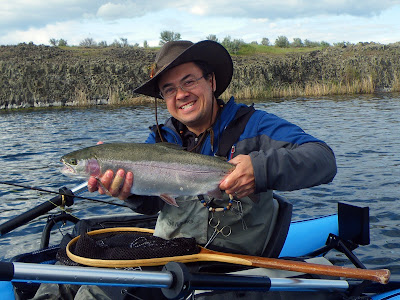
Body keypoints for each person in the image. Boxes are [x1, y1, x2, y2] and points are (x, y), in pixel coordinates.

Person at [87, 40, 337, 258]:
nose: (182, 94)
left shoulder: (256, 126)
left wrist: (260, 170)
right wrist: (130, 193)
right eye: (169, 89)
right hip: (170, 260)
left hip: (236, 268)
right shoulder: (159, 141)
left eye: (189, 82)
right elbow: (154, 206)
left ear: (211, 81)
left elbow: (323, 160)